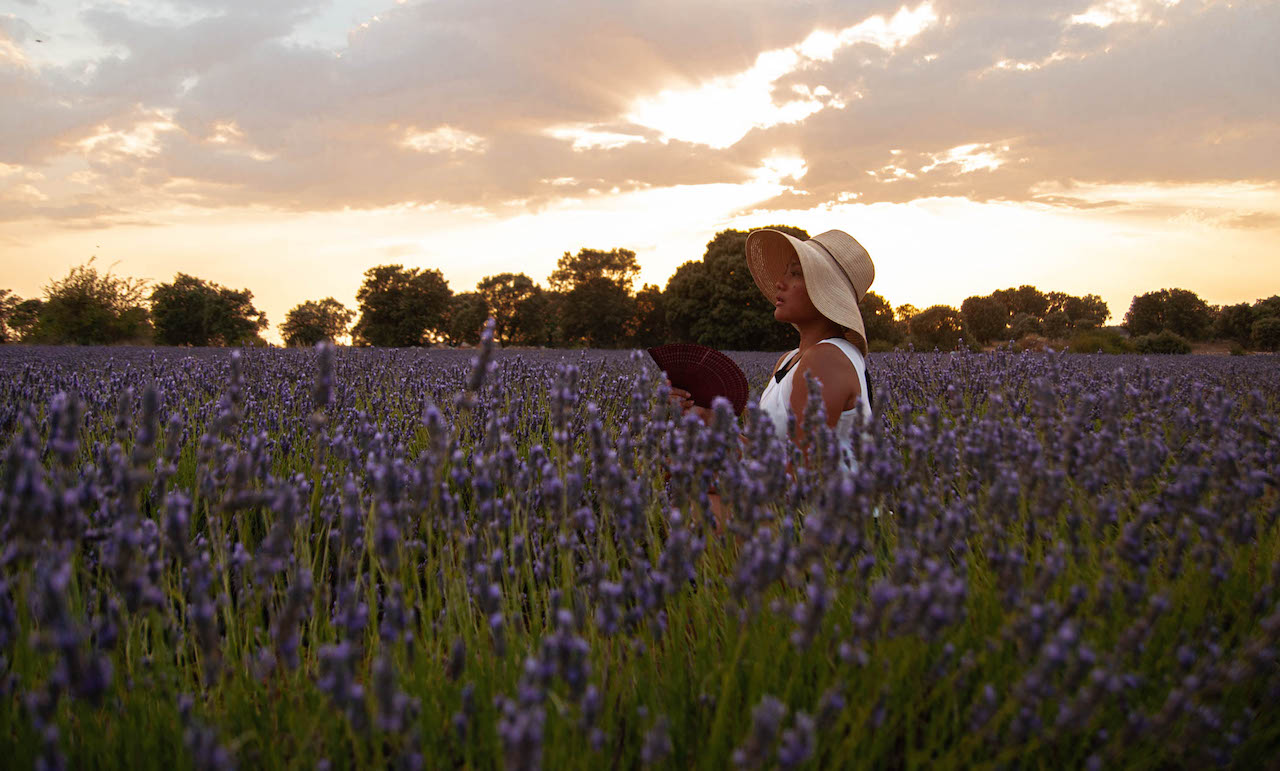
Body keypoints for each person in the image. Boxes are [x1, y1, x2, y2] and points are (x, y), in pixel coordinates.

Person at [672, 227, 876, 476]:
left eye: (795, 274)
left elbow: (800, 479)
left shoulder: (826, 360)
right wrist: (708, 418)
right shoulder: (789, 360)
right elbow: (765, 456)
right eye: (785, 273)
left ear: (824, 290)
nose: (780, 283)